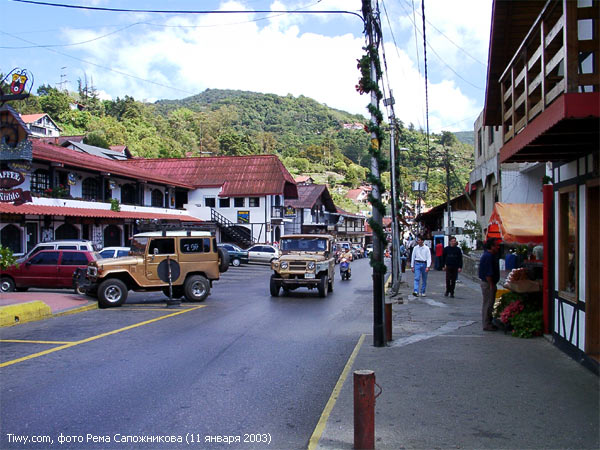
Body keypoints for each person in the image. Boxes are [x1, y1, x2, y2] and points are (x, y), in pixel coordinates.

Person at [479, 237, 501, 331]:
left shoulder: (488, 255)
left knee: (488, 303)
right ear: (491, 246)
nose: (498, 247)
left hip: (488, 283)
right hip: (488, 284)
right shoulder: (488, 256)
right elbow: (488, 273)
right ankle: (486, 323)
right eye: (496, 245)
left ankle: (488, 322)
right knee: (488, 303)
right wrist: (491, 284)